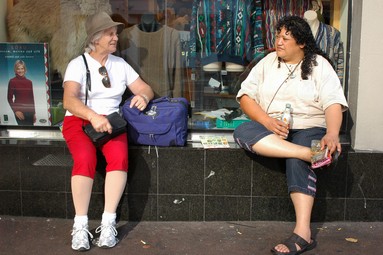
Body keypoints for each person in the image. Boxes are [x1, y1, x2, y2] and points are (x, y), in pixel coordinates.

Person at [233, 16, 348, 255]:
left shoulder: (319, 65)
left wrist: (332, 134)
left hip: (309, 127)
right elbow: (245, 97)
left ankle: (302, 233)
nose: (279, 41)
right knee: (243, 130)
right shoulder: (267, 62)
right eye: (277, 36)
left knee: (295, 162)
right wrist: (267, 121)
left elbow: (333, 103)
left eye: (286, 37)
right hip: (273, 128)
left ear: (302, 42)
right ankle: (312, 155)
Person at [62, 12, 154, 251]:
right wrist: (93, 116)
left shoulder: (120, 64)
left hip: (111, 123)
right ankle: (80, 226)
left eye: (115, 34)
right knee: (84, 158)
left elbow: (144, 87)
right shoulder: (78, 64)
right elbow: (69, 101)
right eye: (110, 34)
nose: (115, 38)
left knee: (119, 158)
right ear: (95, 38)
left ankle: (108, 222)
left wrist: (143, 96)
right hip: (81, 121)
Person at [7, 60, 36, 125]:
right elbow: (9, 98)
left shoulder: (29, 82)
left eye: (22, 68)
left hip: (30, 112)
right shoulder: (12, 81)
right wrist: (16, 110)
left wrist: (34, 113)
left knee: (31, 132)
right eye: (18, 69)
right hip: (19, 111)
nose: (20, 71)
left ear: (25, 69)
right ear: (15, 70)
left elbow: (31, 98)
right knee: (23, 132)